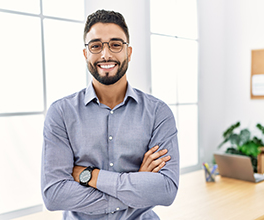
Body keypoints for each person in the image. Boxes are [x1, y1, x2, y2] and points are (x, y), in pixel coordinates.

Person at [41, 9, 179, 220]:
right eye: (96, 46)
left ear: (129, 52)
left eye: (116, 45)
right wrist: (138, 184)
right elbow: (54, 195)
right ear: (86, 53)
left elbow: (166, 189)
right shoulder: (61, 113)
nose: (106, 54)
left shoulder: (158, 113)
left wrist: (91, 176)